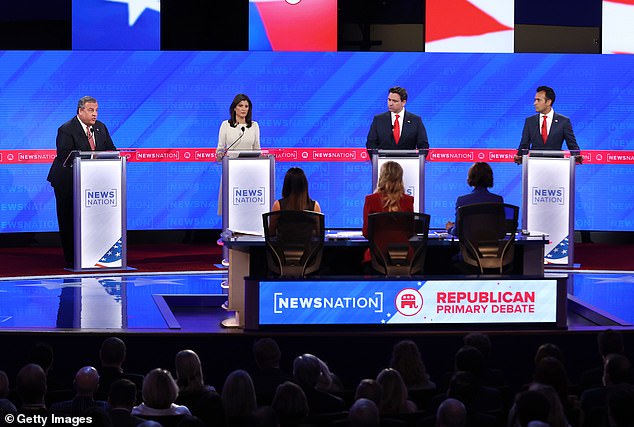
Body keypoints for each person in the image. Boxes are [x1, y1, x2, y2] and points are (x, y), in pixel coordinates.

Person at [47, 96, 117, 268]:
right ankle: (72, 258)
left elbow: (111, 150)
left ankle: (94, 255)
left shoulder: (100, 128)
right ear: (80, 111)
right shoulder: (66, 129)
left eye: (97, 110)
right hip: (67, 182)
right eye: (91, 110)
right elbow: (65, 156)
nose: (95, 114)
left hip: (93, 183)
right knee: (69, 218)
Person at [216, 94, 261, 266]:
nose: (243, 109)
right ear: (234, 108)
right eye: (241, 106)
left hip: (250, 176)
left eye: (246, 106)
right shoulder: (226, 126)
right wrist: (221, 155)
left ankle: (249, 253)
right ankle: (228, 255)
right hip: (231, 175)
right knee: (230, 215)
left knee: (248, 214)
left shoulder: (254, 126)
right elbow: (219, 153)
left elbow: (257, 151)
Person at [361, 161, 414, 267]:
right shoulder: (408, 200)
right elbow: (410, 232)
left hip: (377, 257)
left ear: (382, 177)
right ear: (400, 178)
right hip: (404, 256)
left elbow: (367, 233)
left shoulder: (371, 200)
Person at [514, 85, 581, 164]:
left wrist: (577, 156)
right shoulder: (530, 121)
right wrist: (519, 156)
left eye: (538, 100)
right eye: (535, 100)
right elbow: (524, 144)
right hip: (534, 166)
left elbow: (572, 145)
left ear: (548, 102)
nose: (534, 103)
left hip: (557, 166)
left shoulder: (564, 121)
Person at [445, 162, 503, 236]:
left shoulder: (462, 200)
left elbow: (458, 231)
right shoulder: (498, 200)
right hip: (494, 246)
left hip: (469, 246)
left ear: (470, 178)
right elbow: (501, 229)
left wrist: (450, 228)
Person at [366, 86, 429, 153]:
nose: (390, 104)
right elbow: (371, 144)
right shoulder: (378, 120)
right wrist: (377, 161)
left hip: (409, 162)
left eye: (394, 101)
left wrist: (416, 161)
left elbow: (423, 146)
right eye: (389, 100)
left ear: (403, 102)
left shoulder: (416, 120)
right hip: (384, 162)